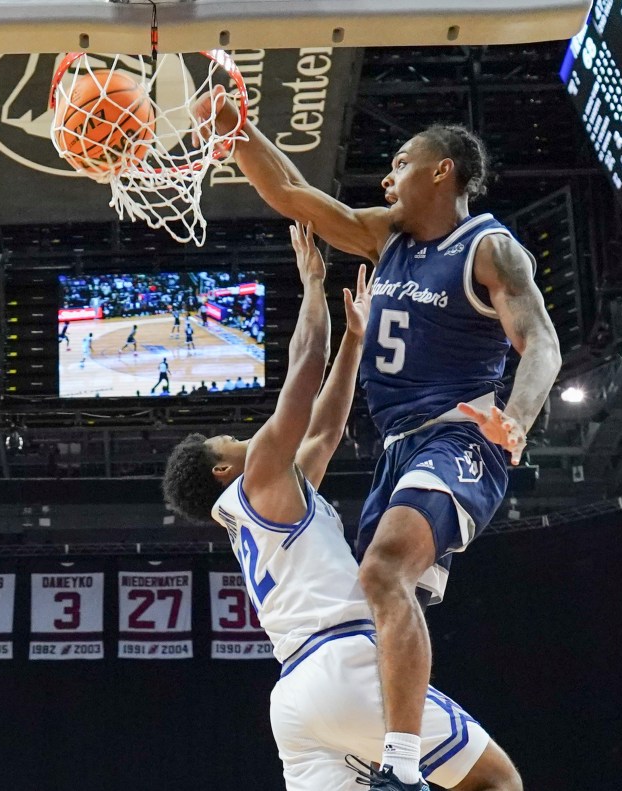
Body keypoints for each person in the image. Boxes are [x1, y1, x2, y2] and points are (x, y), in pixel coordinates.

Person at [194, 91, 560, 790]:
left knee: (381, 570)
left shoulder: (488, 248)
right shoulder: (382, 237)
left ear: (441, 171)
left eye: (400, 162)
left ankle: (399, 765)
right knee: (386, 613)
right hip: (397, 451)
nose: (386, 177)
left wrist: (516, 414)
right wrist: (234, 127)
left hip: (458, 435)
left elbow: (539, 340)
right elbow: (294, 194)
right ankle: (388, 763)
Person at [163, 223, 521, 791]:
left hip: (297, 700)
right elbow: (304, 368)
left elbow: (325, 430)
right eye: (226, 439)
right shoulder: (259, 477)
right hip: (345, 665)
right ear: (222, 469)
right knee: (498, 782)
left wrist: (355, 341)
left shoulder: (263, 507)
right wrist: (311, 284)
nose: (238, 435)